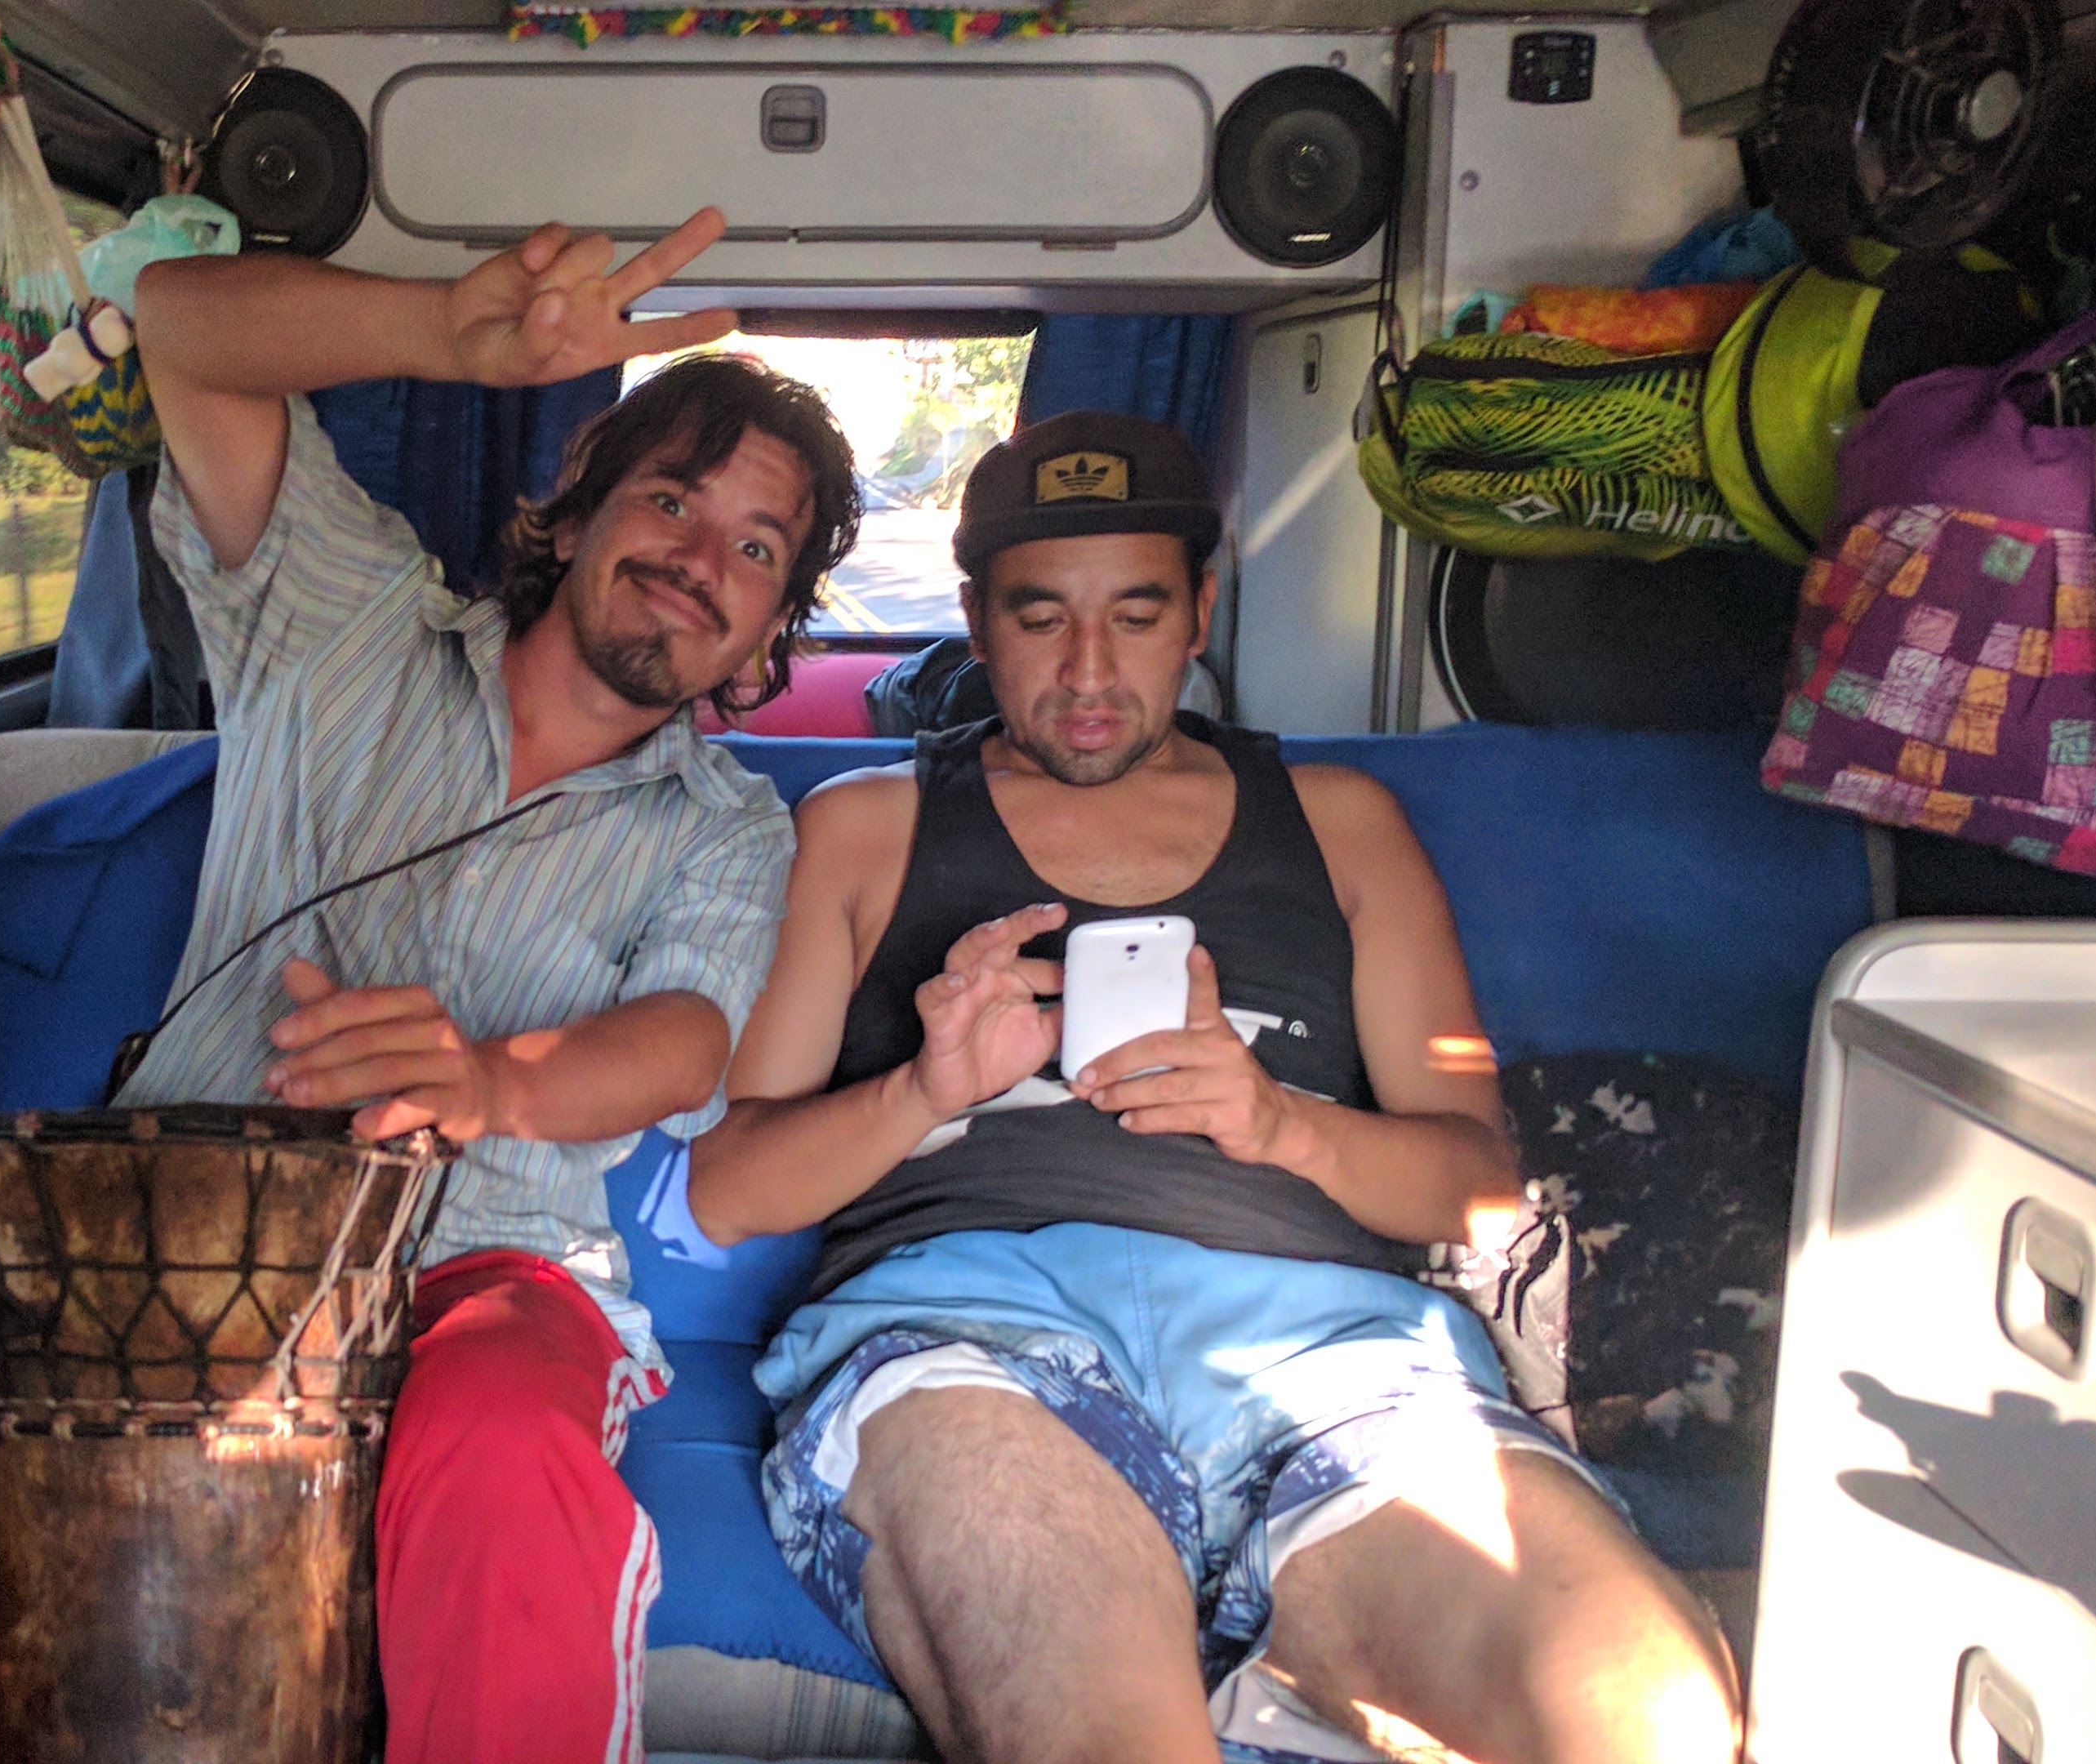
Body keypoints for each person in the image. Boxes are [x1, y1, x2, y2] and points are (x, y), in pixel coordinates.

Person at [0, 209, 864, 1764]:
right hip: (149, 1225)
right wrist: (446, 332)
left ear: (771, 631)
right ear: (581, 510)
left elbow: (686, 1042)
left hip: (482, 1270)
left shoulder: (726, 826)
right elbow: (179, 323)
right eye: (671, 498)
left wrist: (498, 1081)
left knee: (508, 1477)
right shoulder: (348, 618)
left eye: (758, 551)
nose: (699, 561)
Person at [687, 412, 1740, 1764]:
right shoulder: (864, 828)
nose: (1087, 671)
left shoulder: (1342, 824)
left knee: (1644, 1709)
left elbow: (1478, 1188)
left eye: (1135, 616)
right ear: (978, 621)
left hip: (1336, 1354)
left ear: (1198, 611)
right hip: (964, 1338)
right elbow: (728, 1188)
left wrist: (1281, 1122)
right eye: (1039, 617)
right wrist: (923, 1091)